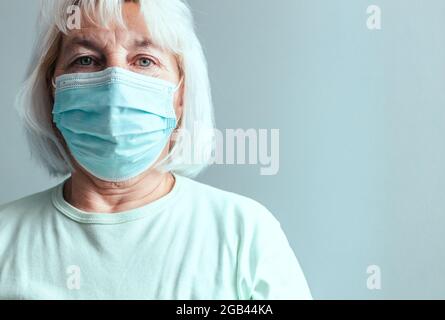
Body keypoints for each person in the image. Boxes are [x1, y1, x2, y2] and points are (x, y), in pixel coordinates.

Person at [0, 0, 312, 300]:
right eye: (86, 59)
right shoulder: (6, 237)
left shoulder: (244, 233)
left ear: (181, 96)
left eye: (144, 60)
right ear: (51, 90)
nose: (115, 83)